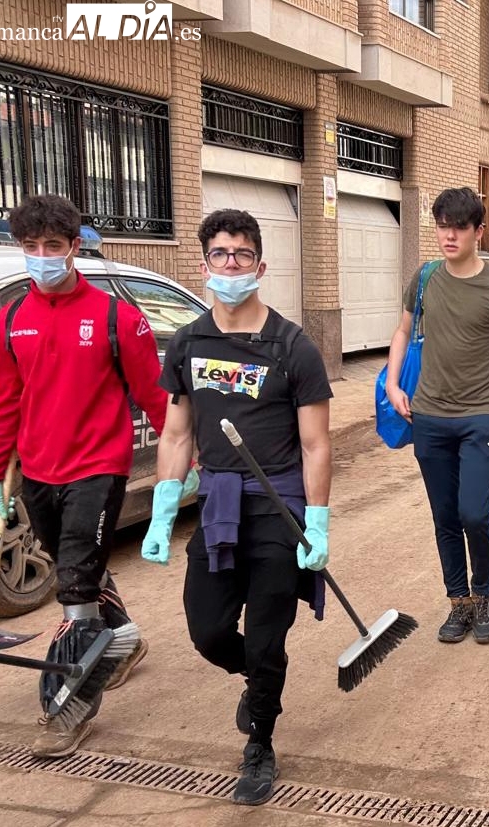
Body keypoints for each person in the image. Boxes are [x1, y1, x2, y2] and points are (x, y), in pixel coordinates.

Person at [141, 209, 333, 806]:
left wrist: (318, 521)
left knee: (268, 635)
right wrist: (162, 508)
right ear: (204, 266)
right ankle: (255, 679)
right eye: (220, 255)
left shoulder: (293, 346)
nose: (231, 265)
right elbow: (175, 435)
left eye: (241, 255)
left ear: (260, 266)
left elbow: (316, 443)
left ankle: (261, 743)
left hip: (279, 505)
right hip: (219, 504)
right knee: (208, 630)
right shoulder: (189, 343)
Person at [0, 194, 168, 758]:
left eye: (53, 247)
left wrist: (181, 463)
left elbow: (153, 396)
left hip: (98, 466)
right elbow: (0, 403)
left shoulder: (117, 318)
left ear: (74, 248)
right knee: (76, 566)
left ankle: (65, 707)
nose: (41, 257)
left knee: (75, 587)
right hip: (37, 469)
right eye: (31, 247)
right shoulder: (11, 321)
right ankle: (123, 639)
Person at [384, 187, 489, 646]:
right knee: (445, 515)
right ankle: (459, 602)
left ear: (478, 231)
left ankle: (485, 593)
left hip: (482, 416)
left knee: (474, 511)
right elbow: (401, 330)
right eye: (442, 226)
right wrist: (394, 384)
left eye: (458, 227)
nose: (448, 235)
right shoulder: (425, 278)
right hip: (429, 416)